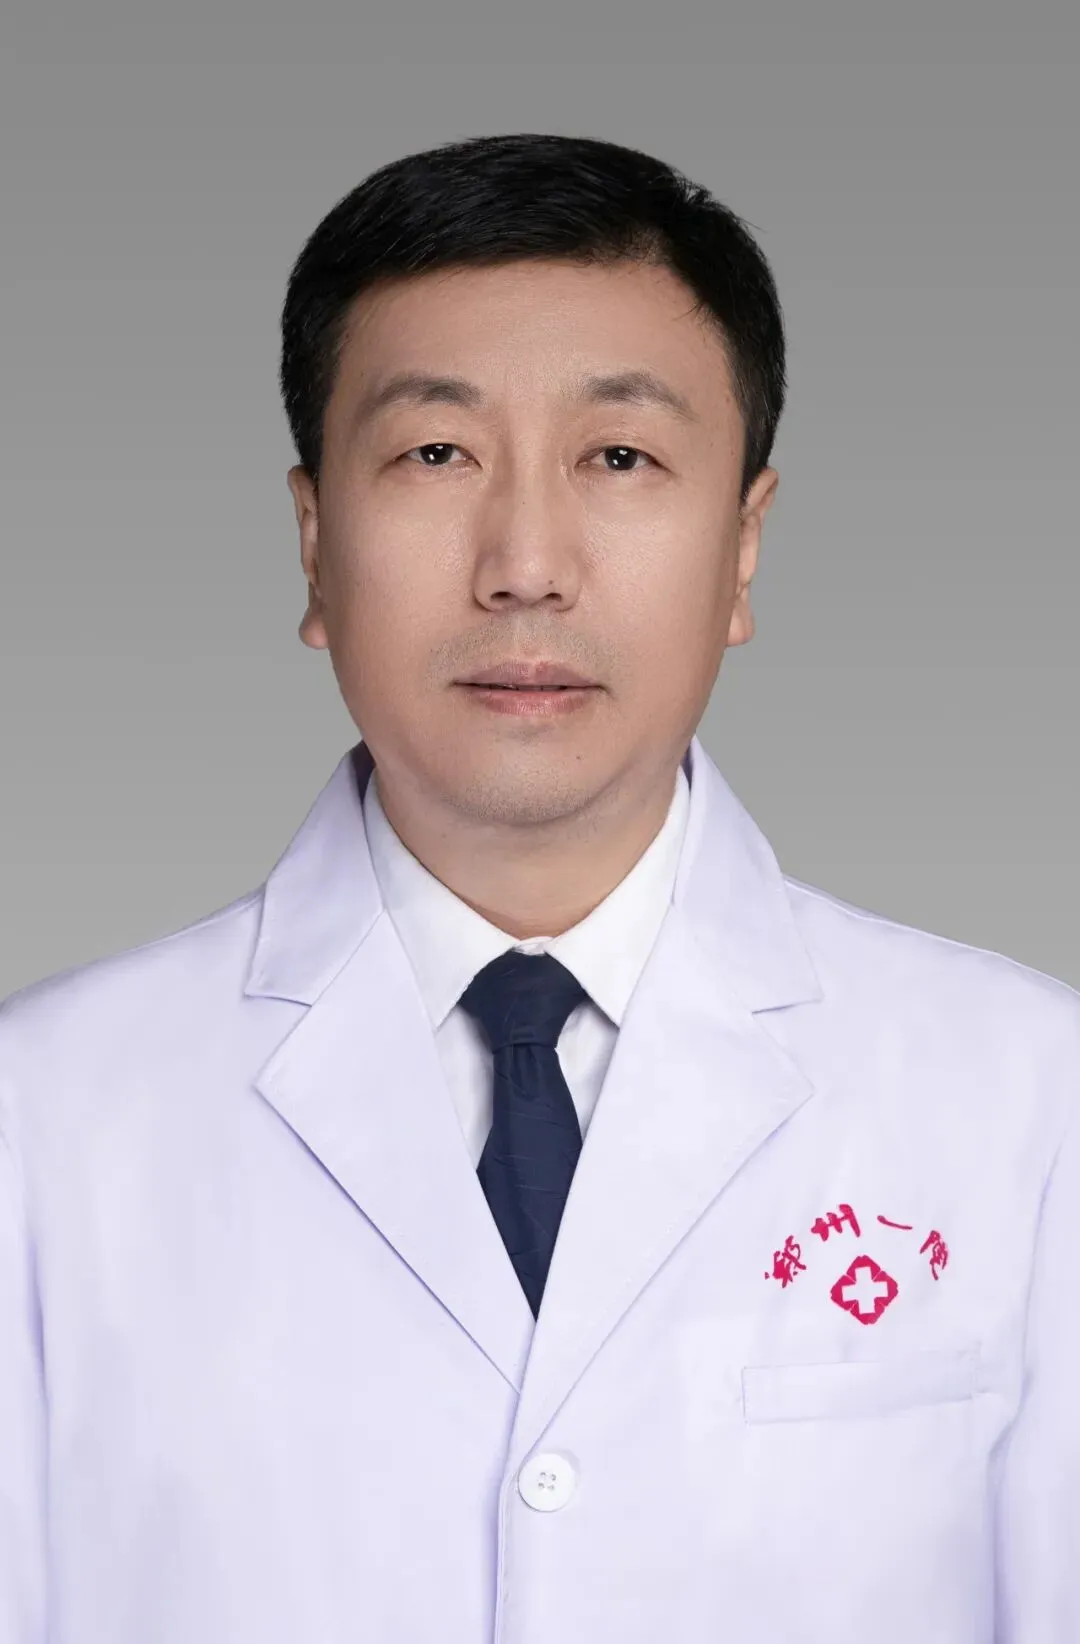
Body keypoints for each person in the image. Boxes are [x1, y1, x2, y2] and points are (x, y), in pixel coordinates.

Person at [0, 131, 1076, 1644]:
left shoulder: (1029, 1099)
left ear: (744, 545)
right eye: (435, 455)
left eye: (618, 457)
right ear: (313, 543)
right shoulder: (41, 1120)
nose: (524, 564)